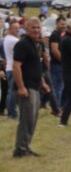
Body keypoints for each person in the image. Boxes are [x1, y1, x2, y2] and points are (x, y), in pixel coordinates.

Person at [12, 17, 50, 157]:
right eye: (33, 27)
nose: (36, 30)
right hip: (26, 87)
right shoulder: (22, 44)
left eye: (38, 27)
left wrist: (43, 83)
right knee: (26, 119)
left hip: (35, 86)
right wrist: (21, 87)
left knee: (32, 119)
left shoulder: (37, 45)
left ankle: (26, 146)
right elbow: (16, 66)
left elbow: (37, 66)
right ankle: (20, 149)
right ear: (26, 29)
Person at [48, 16, 67, 115]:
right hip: (56, 65)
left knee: (58, 87)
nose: (63, 26)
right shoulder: (55, 35)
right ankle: (56, 109)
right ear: (56, 24)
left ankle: (56, 107)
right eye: (61, 24)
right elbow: (54, 50)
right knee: (57, 87)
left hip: (58, 65)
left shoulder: (59, 35)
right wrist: (63, 61)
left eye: (64, 24)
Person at [3, 21, 20, 120]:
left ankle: (10, 112)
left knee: (11, 91)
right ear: (10, 29)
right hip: (13, 68)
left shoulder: (6, 39)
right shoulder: (14, 40)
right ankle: (12, 113)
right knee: (13, 92)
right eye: (15, 28)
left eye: (18, 27)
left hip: (9, 67)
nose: (18, 30)